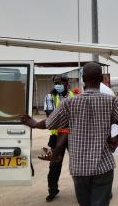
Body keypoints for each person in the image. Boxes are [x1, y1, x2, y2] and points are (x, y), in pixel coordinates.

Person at [22, 62, 118, 206]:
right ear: (101, 79)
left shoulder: (69, 103)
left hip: (79, 168)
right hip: (103, 167)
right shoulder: (112, 101)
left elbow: (49, 123)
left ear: (83, 79)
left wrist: (34, 124)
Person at [43, 73, 74, 202]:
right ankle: (53, 190)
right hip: (56, 136)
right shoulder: (49, 97)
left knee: (77, 164)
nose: (58, 86)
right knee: (55, 165)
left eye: (61, 83)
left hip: (72, 136)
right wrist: (66, 118)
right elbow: (50, 117)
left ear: (67, 84)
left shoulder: (73, 96)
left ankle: (82, 189)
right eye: (56, 83)